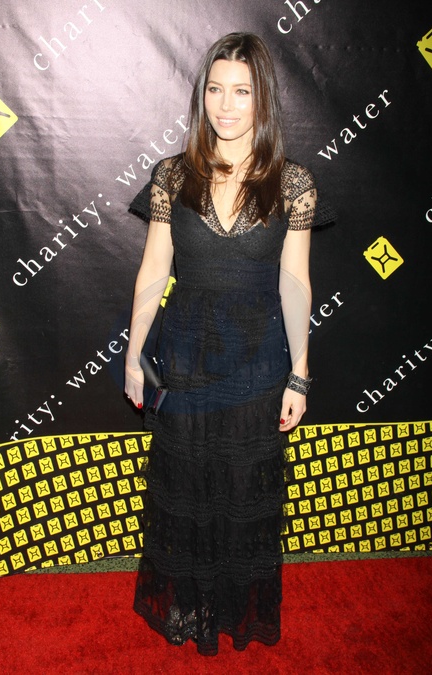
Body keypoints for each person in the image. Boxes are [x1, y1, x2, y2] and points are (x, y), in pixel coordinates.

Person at [125, 32, 317, 656]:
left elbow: (295, 284)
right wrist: (133, 353)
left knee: (243, 491)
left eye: (242, 91)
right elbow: (154, 269)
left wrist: (300, 373)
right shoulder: (172, 175)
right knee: (187, 487)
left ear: (264, 99)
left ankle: (234, 611)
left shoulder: (293, 183)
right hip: (184, 359)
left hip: (258, 364)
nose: (226, 106)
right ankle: (190, 609)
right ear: (201, 94)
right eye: (215, 89)